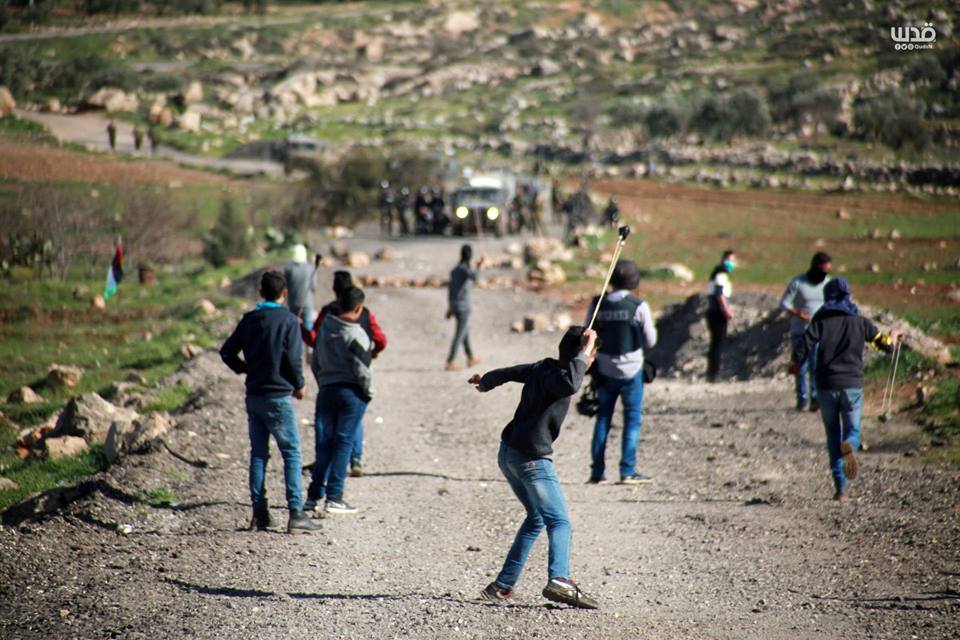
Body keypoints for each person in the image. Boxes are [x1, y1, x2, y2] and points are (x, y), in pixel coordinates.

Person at [469, 326, 600, 610]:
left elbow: (511, 372)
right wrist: (585, 351)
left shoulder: (544, 367)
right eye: (592, 356)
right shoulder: (564, 378)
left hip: (509, 454)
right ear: (584, 356)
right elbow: (572, 384)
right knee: (560, 521)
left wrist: (486, 381)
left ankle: (502, 586)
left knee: (537, 518)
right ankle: (560, 579)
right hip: (531, 460)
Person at [219, 271, 320, 534]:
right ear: (284, 294)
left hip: (254, 396)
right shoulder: (289, 320)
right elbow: (292, 359)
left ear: (261, 294)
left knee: (259, 454)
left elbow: (226, 352)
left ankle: (259, 513)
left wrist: (244, 369)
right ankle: (296, 513)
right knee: (291, 453)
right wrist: (299, 385)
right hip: (278, 397)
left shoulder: (249, 319)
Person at [792, 278, 899, 502]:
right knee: (852, 430)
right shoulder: (861, 322)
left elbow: (803, 346)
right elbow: (886, 345)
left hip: (825, 386)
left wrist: (795, 365)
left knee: (832, 434)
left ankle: (840, 489)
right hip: (851, 385)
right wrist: (895, 336)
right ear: (848, 296)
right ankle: (850, 444)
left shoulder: (820, 322)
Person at [302, 271, 387, 477]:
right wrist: (371, 353)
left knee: (325, 421)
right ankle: (355, 459)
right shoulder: (364, 312)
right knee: (353, 419)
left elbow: (314, 339)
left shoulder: (328, 312)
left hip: (330, 374)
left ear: (334, 289)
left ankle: (324, 461)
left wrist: (300, 327)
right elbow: (381, 339)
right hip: (358, 374)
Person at [584, 260, 658, 485]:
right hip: (632, 369)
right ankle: (627, 471)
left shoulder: (598, 303)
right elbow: (651, 340)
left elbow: (587, 333)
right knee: (632, 420)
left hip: (604, 370)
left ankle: (597, 473)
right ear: (635, 282)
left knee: (603, 418)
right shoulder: (638, 305)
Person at [305, 286, 374, 515]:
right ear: (358, 308)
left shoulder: (325, 329)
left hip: (326, 391)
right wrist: (368, 393)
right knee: (343, 444)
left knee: (324, 445)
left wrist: (323, 382)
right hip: (351, 394)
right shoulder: (356, 334)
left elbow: (315, 362)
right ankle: (335, 496)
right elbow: (363, 369)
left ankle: (312, 497)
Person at [780, 252, 832, 411]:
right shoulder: (798, 282)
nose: (824, 274)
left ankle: (815, 399)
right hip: (800, 332)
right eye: (822, 270)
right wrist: (797, 313)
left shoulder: (828, 284)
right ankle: (802, 399)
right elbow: (784, 303)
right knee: (800, 367)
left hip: (819, 333)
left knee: (817, 366)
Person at [446, 244, 481, 371]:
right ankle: (450, 361)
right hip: (463, 307)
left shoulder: (455, 270)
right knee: (459, 335)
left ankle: (470, 357)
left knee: (465, 332)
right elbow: (475, 277)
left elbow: (450, 290)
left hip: (455, 306)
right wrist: (479, 265)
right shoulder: (464, 269)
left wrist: (450, 307)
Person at [705, 250, 735, 382]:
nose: (731, 263)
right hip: (717, 313)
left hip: (713, 312)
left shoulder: (717, 273)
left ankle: (712, 372)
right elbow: (719, 294)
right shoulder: (720, 274)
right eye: (730, 260)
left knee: (715, 343)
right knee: (717, 343)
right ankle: (714, 373)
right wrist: (727, 310)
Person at [283, 244, 315, 331]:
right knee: (308, 325)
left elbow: (285, 286)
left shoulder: (288, 269)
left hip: (293, 302)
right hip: (307, 302)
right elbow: (313, 287)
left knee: (293, 326)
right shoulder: (310, 268)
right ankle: (309, 344)